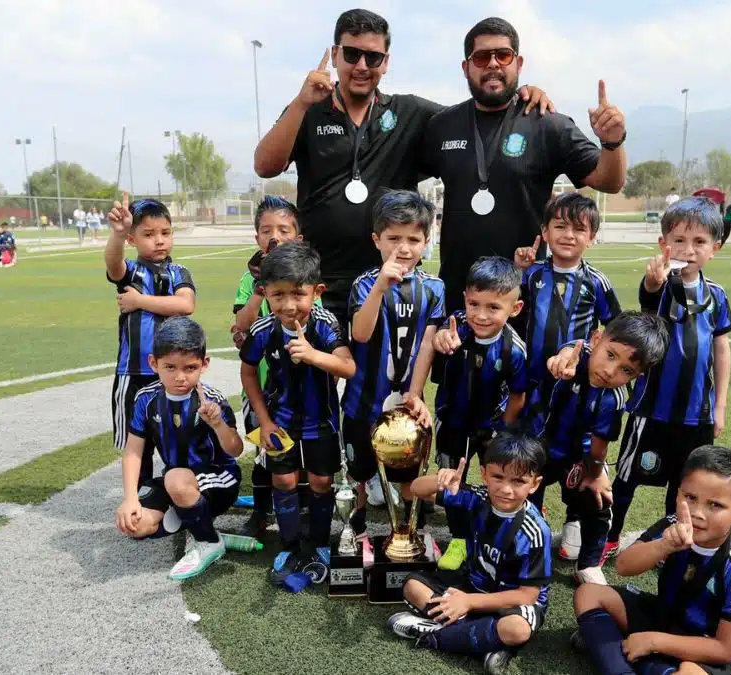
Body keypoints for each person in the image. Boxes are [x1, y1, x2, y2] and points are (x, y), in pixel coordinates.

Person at [253, 9, 551, 327]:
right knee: (316, 359)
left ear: (386, 62)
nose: (362, 66)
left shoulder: (411, 112)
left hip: (393, 283)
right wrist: (300, 103)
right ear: (336, 55)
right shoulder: (307, 109)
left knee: (392, 361)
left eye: (373, 57)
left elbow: (478, 115)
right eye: (352, 54)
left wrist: (518, 95)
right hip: (319, 283)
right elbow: (265, 166)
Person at [420, 17, 627, 311]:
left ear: (518, 63)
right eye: (482, 57)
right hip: (460, 296)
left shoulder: (547, 123)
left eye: (503, 55)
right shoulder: (442, 125)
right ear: (466, 68)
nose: (493, 64)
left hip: (526, 296)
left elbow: (609, 181)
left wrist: (612, 142)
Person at [605, 197, 731, 562]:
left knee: (685, 487)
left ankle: (672, 544)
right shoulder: (661, 288)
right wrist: (653, 279)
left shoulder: (717, 296)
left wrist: (720, 406)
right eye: (679, 240)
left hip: (697, 415)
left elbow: (721, 350)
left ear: (715, 248)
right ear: (664, 244)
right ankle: (608, 538)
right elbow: (648, 292)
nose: (688, 250)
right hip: (652, 409)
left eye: (699, 242)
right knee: (627, 479)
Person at [573, 445, 731, 675]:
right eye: (690, 498)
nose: (697, 513)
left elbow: (726, 649)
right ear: (678, 493)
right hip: (664, 617)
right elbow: (623, 566)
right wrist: (664, 545)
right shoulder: (673, 523)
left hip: (705, 645)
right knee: (588, 594)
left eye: (715, 505)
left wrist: (654, 641)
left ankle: (617, 650)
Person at [385, 432, 553, 675]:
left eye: (518, 481)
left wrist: (468, 602)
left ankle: (436, 636)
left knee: (516, 629)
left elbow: (527, 596)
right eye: (497, 477)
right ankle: (484, 640)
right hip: (473, 585)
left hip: (512, 602)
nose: (506, 489)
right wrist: (441, 480)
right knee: (412, 586)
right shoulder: (478, 498)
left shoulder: (535, 531)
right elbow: (416, 489)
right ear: (484, 474)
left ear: (534, 484)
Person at [511, 192, 620, 559]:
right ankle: (532, 511)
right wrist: (519, 271)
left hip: (578, 388)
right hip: (536, 385)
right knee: (534, 449)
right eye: (559, 226)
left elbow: (614, 329)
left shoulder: (597, 282)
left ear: (592, 237)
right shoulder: (534, 275)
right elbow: (512, 312)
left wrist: (586, 353)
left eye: (579, 229)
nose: (568, 235)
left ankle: (575, 516)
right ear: (545, 231)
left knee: (576, 447)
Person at [238, 241, 356, 583]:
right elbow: (248, 372)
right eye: (278, 295)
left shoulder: (325, 324)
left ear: (317, 292)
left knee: (321, 481)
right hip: (280, 423)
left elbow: (348, 367)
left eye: (298, 294)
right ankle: (289, 543)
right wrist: (264, 420)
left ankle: (318, 541)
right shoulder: (263, 330)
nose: (289, 305)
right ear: (265, 293)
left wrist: (313, 355)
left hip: (322, 423)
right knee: (284, 480)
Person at [535, 311, 670, 585]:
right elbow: (568, 351)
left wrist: (596, 474)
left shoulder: (613, 398)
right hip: (537, 444)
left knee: (599, 502)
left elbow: (599, 445)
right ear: (596, 339)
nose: (610, 371)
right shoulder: (575, 358)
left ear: (638, 375)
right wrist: (561, 358)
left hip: (580, 455)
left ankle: (588, 564)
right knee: (520, 488)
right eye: (610, 355)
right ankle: (523, 544)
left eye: (626, 370)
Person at [343, 190, 445, 536]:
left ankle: (409, 530)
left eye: (413, 239)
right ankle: (354, 528)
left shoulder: (433, 288)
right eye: (394, 238)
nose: (403, 248)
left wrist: (415, 394)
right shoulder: (364, 284)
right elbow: (360, 334)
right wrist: (380, 288)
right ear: (377, 240)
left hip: (406, 400)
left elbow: (428, 343)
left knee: (407, 470)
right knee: (358, 472)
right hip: (363, 399)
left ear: (426, 242)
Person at [114, 317, 244, 581]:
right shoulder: (146, 399)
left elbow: (236, 450)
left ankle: (208, 541)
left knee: (175, 479)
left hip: (219, 481)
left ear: (204, 364)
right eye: (170, 367)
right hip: (177, 481)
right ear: (154, 363)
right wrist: (130, 499)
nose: (180, 377)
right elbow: (133, 452)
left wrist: (218, 424)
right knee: (135, 526)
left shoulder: (212, 400)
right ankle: (195, 521)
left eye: (190, 367)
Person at [428, 256, 529, 565]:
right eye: (474, 304)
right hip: (452, 423)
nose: (481, 315)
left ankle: (491, 536)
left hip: (491, 428)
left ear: (515, 308)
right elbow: (439, 336)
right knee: (450, 479)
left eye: (493, 307)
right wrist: (441, 337)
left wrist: (504, 431)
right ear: (465, 299)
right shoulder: (457, 324)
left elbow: (518, 396)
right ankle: (459, 538)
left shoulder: (514, 350)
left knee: (497, 480)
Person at [231, 195, 310, 537]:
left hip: (302, 384)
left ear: (298, 238)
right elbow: (241, 325)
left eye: (283, 230)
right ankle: (262, 511)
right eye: (266, 231)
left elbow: (313, 321)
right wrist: (261, 288)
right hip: (262, 384)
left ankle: (303, 510)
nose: (274, 237)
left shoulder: (307, 277)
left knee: (302, 450)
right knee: (264, 449)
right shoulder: (249, 281)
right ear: (257, 238)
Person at [104, 194, 197, 487]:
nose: (159, 241)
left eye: (165, 233)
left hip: (171, 374)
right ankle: (139, 496)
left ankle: (180, 495)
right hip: (133, 373)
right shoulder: (131, 272)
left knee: (178, 440)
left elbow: (185, 304)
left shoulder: (179, 272)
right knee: (136, 446)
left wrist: (139, 301)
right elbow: (113, 263)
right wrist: (117, 234)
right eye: (149, 234)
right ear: (132, 239)